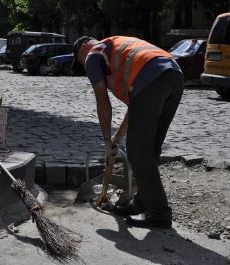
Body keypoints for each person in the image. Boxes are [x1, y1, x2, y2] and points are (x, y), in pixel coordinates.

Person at [72, 36, 184, 228]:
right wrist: (119, 136)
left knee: (138, 152)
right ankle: (142, 203)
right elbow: (137, 106)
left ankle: (159, 214)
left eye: (80, 60)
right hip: (174, 75)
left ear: (83, 48)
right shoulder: (117, 48)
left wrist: (107, 141)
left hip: (153, 79)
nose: (84, 66)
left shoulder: (93, 54)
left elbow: (103, 103)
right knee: (150, 150)